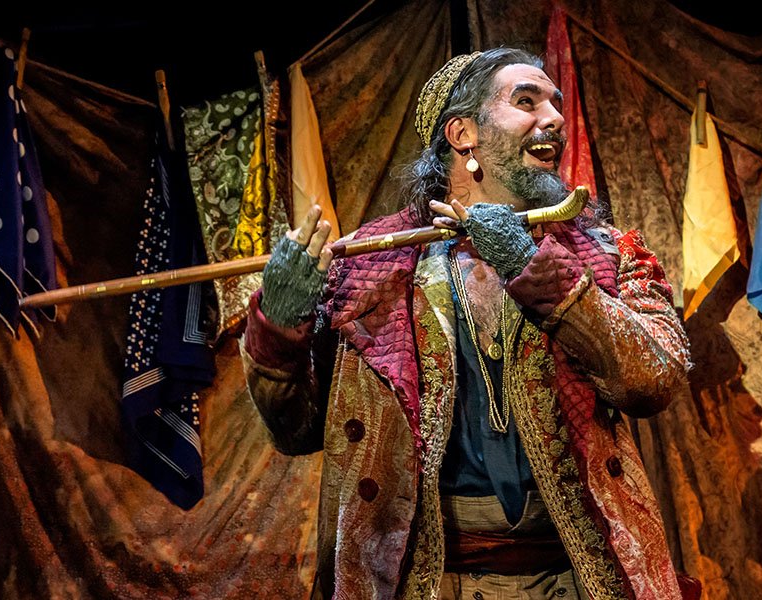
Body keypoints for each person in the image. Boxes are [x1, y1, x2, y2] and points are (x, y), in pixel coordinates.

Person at [242, 48, 693, 600]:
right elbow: (295, 434)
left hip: (579, 578)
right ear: (462, 134)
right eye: (526, 102)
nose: (554, 118)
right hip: (426, 583)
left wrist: (531, 267)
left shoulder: (605, 253)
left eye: (555, 103)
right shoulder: (367, 268)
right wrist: (278, 328)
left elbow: (657, 380)